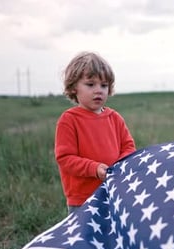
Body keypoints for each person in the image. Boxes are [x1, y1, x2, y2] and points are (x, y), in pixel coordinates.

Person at [54, 51, 136, 215]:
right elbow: (65, 158)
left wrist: (117, 167)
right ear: (74, 88)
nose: (98, 90)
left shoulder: (114, 118)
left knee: (112, 236)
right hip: (83, 199)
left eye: (104, 85)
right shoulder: (69, 120)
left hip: (113, 192)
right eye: (90, 85)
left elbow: (129, 147)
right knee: (85, 238)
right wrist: (94, 168)